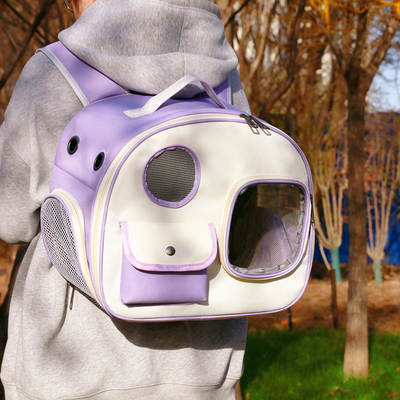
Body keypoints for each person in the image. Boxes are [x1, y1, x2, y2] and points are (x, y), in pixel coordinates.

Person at [0, 1, 250, 399]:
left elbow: (9, 217)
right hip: (202, 363)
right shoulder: (222, 75)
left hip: (72, 367)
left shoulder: (58, 71)